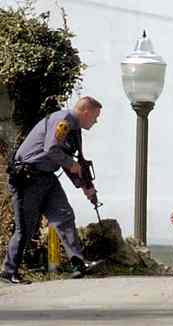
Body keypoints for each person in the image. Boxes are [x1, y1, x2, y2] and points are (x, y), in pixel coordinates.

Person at [0, 96, 103, 284]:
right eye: (95, 117)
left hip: (46, 177)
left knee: (64, 216)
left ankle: (78, 264)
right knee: (26, 228)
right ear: (86, 112)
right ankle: (8, 272)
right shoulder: (63, 121)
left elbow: (72, 161)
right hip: (28, 178)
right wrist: (71, 165)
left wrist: (86, 187)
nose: (96, 121)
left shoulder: (75, 130)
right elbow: (52, 149)